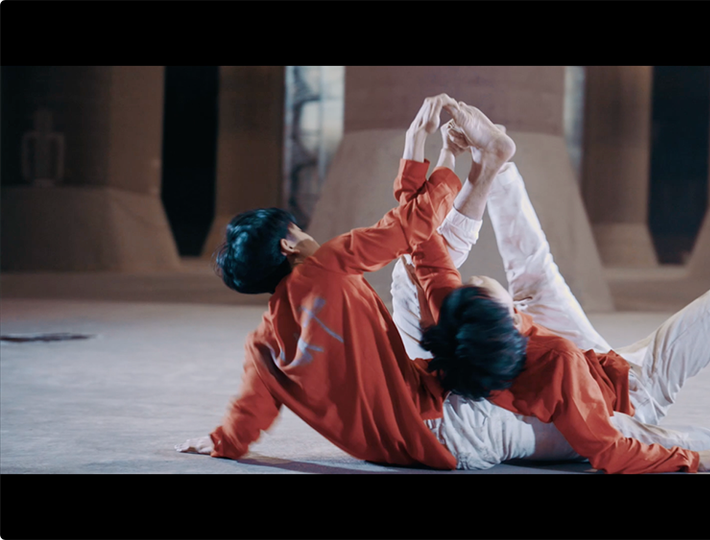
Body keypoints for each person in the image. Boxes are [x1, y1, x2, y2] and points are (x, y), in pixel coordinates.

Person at [390, 120, 710, 472]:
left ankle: (499, 165)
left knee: (533, 275)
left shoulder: (453, 325)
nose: (474, 278)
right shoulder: (559, 365)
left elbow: (425, 251)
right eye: (491, 292)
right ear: (510, 321)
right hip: (629, 391)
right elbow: (613, 448)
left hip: (582, 364)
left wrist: (463, 157)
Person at [175, 94, 516, 469]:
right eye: (299, 229)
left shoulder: (264, 343)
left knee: (411, 272)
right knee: (440, 281)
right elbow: (413, 225)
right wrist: (424, 143)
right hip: (451, 426)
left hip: (398, 452)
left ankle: (488, 163)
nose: (308, 234)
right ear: (288, 245)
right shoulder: (326, 265)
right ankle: (490, 164)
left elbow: (251, 407)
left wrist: (222, 441)